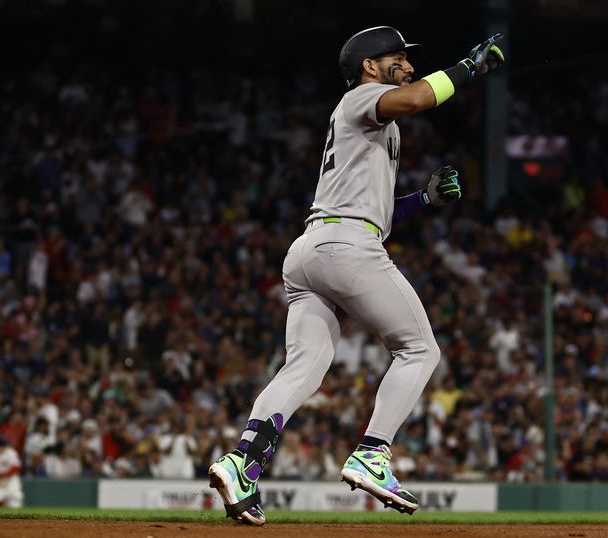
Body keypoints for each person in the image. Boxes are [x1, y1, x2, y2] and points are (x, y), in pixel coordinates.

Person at [208, 26, 505, 525]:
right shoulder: (363, 99)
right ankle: (373, 452)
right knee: (419, 349)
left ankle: (242, 463)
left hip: (311, 249)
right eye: (398, 58)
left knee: (303, 367)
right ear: (369, 66)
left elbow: (374, 209)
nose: (408, 66)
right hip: (345, 246)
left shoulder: (370, 119)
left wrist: (424, 200)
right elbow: (414, 100)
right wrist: (468, 69)